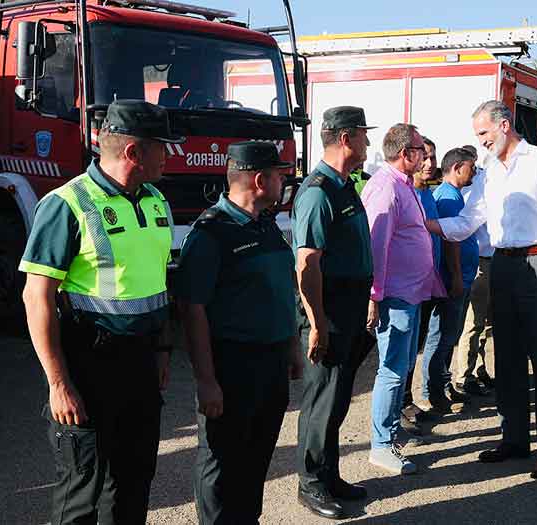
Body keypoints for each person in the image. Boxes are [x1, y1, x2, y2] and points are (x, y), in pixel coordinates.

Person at [18, 99, 183, 524]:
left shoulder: (155, 201)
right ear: (134, 153)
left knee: (132, 483)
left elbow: (159, 284)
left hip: (141, 365)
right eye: (162, 147)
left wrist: (163, 351)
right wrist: (58, 384)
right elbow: (36, 298)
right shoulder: (66, 204)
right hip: (88, 364)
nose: (170, 155)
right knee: (81, 492)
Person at [426, 100, 537, 481]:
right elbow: (466, 222)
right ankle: (514, 439)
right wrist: (418, 221)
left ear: (505, 125)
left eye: (483, 134)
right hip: (503, 265)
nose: (480, 143)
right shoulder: (490, 172)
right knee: (507, 358)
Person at [175, 141, 302, 524]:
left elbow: (282, 292)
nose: (285, 180)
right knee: (221, 460)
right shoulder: (212, 232)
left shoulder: (267, 226)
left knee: (257, 453)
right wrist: (207, 381)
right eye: (280, 175)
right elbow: (192, 308)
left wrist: (293, 346)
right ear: (260, 180)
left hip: (272, 361)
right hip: (233, 365)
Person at [293, 106, 374, 520]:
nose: (367, 142)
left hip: (350, 307)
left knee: (338, 399)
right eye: (362, 134)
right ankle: (310, 483)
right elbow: (307, 263)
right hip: (330, 312)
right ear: (345, 138)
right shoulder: (318, 191)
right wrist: (317, 322)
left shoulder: (344, 185)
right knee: (322, 400)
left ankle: (329, 474)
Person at [362, 123, 445, 475]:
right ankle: (381, 446)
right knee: (393, 371)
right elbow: (376, 246)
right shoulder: (385, 188)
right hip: (394, 296)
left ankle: (390, 436)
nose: (425, 156)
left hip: (410, 294)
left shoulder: (404, 184)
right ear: (404, 153)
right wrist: (374, 296)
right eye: (419, 149)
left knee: (401, 367)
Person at [420, 147, 478, 412]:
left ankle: (442, 386)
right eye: (471, 167)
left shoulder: (454, 195)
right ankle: (432, 391)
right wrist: (455, 276)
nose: (474, 172)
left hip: (461, 277)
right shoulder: (446, 197)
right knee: (441, 335)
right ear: (456, 168)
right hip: (452, 279)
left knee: (449, 334)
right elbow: (450, 238)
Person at [401, 136, 441, 433]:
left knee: (415, 345)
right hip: (407, 285)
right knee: (402, 349)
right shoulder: (404, 193)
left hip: (428, 282)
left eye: (432, 158)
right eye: (424, 157)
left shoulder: (428, 193)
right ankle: (399, 406)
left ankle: (408, 399)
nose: (429, 164)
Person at [453, 144, 495, 396]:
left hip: (492, 260)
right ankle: (463, 376)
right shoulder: (474, 193)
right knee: (474, 322)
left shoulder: (483, 189)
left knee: (485, 324)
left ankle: (477, 369)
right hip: (481, 260)